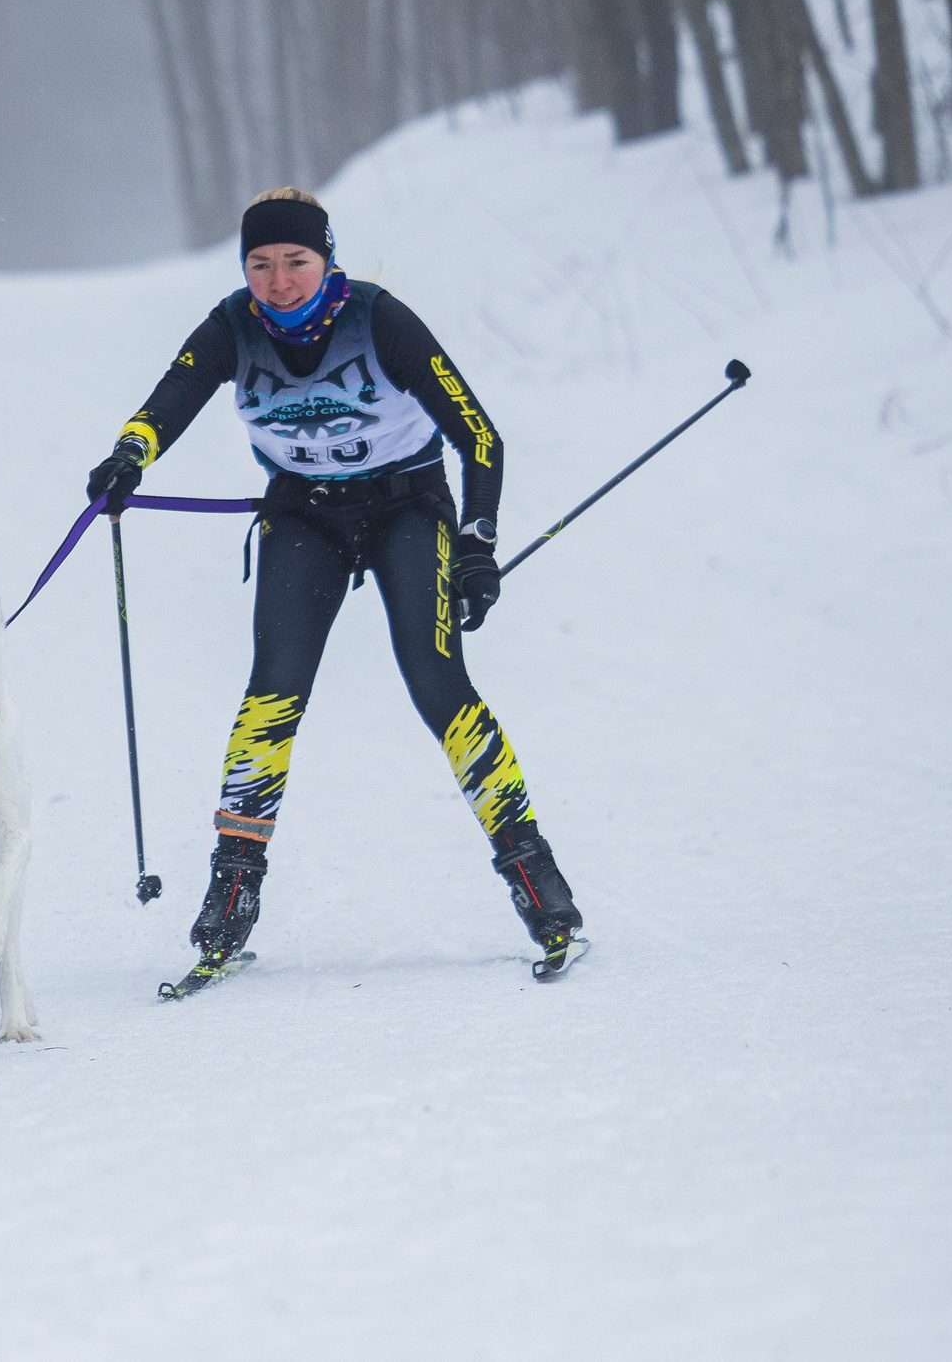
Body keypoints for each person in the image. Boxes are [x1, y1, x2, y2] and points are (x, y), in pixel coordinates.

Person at [83, 188, 584, 978]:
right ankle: (232, 893)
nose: (278, 282)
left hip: (408, 507)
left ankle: (534, 876)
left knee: (438, 682)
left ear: (327, 260)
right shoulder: (232, 326)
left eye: (295, 262)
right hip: (304, 516)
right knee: (272, 689)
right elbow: (167, 401)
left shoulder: (380, 318)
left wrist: (479, 542)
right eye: (260, 264)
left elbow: (479, 436)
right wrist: (128, 456)